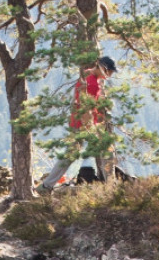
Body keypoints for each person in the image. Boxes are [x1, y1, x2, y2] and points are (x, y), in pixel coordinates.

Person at [39, 56, 118, 192]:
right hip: (85, 124)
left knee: (73, 154)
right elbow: (86, 107)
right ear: (103, 68)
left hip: (78, 122)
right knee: (105, 152)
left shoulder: (87, 75)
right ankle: (110, 187)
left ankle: (47, 185)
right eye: (110, 71)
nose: (110, 75)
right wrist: (92, 128)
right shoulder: (92, 83)